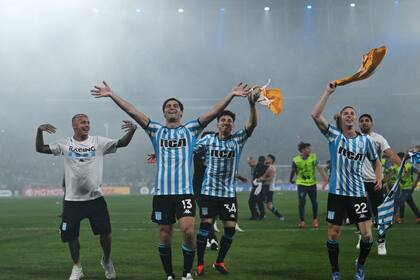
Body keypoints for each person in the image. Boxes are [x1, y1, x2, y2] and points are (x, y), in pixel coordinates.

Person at [91, 81, 251, 280]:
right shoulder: (155, 130)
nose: (172, 108)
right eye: (168, 106)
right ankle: (169, 274)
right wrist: (112, 94)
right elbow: (133, 111)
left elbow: (212, 112)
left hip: (184, 192)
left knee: (189, 232)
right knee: (165, 234)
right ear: (164, 113)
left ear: (181, 112)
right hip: (162, 194)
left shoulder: (191, 129)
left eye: (175, 106)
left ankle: (186, 273)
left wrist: (232, 94)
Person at [36, 114, 137, 280]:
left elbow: (122, 143)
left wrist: (132, 130)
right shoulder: (65, 143)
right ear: (74, 126)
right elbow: (40, 148)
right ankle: (77, 267)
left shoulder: (98, 142)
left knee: (106, 233)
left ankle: (106, 260)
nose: (87, 125)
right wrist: (39, 131)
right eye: (83, 122)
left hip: (95, 199)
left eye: (88, 122)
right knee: (71, 236)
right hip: (72, 201)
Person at [311, 82, 382, 280]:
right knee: (333, 235)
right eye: (346, 113)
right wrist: (327, 92)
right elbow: (315, 115)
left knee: (367, 236)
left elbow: (376, 161)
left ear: (356, 119)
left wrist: (379, 176)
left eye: (352, 113)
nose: (350, 115)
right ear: (341, 119)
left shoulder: (365, 141)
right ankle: (335, 271)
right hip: (337, 194)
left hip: (358, 194)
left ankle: (360, 266)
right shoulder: (334, 136)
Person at [195, 93, 258, 276]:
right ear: (217, 124)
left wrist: (252, 105)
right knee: (205, 226)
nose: (226, 122)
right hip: (208, 192)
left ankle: (219, 261)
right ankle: (199, 263)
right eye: (223, 120)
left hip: (228, 194)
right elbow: (188, 150)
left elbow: (252, 125)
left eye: (229, 120)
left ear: (233, 125)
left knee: (230, 229)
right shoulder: (207, 140)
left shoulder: (238, 139)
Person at [356, 113, 402, 255]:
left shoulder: (378, 138)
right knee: (360, 213)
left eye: (367, 121)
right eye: (362, 121)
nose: (364, 123)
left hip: (375, 181)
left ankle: (381, 241)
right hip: (358, 182)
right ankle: (362, 237)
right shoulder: (354, 138)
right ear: (359, 124)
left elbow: (390, 154)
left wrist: (402, 165)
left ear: (372, 124)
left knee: (379, 215)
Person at [289, 142, 328, 228]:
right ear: (302, 150)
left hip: (312, 184)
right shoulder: (296, 160)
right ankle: (302, 221)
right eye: (308, 148)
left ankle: (315, 220)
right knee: (302, 202)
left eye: (309, 148)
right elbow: (293, 170)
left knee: (314, 202)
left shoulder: (313, 157)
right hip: (301, 184)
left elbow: (319, 168)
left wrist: (325, 179)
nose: (310, 150)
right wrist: (291, 179)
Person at [390, 152, 420, 223]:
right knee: (411, 203)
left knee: (400, 201)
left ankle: (400, 218)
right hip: (402, 188)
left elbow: (418, 173)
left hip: (409, 188)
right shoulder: (396, 167)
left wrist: (415, 183)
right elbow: (390, 175)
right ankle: (419, 217)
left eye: (398, 158)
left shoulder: (409, 166)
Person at [255, 154, 285, 220]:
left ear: (271, 160)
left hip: (268, 188)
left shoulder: (272, 167)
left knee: (259, 200)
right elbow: (264, 176)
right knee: (269, 206)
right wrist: (261, 178)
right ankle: (280, 216)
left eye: (268, 158)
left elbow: (270, 178)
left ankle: (262, 216)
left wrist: (261, 179)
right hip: (269, 188)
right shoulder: (269, 167)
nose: (266, 159)